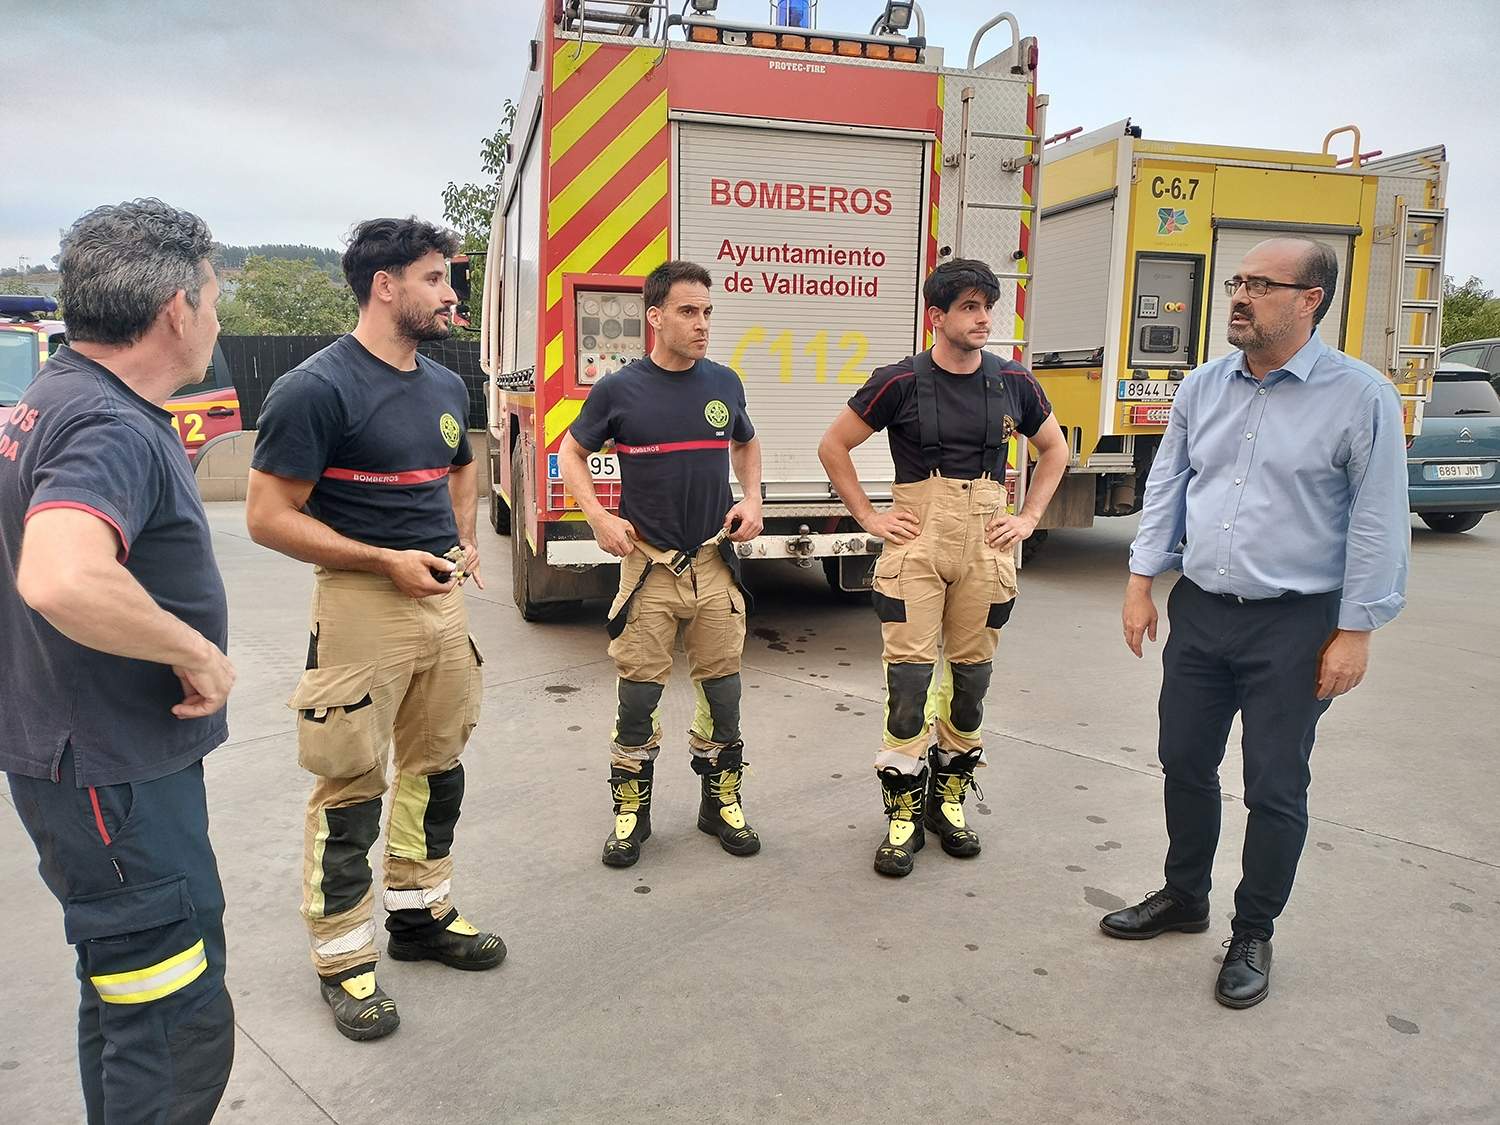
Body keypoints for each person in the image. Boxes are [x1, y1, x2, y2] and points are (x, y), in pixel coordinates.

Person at [1103, 238, 1410, 1009]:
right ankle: (1185, 896)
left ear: (1310, 300)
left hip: (1297, 623)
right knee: (1182, 759)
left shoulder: (1360, 395)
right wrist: (1141, 581)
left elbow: (1377, 521)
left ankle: (1254, 928)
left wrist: (1357, 629)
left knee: (1275, 782)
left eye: (1261, 285)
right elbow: (1168, 482)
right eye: (1237, 281)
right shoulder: (1205, 386)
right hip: (1201, 610)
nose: (1238, 295)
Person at [0, 198, 237, 1122]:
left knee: (126, 994)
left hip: (76, 765)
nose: (216, 317)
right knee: (175, 1026)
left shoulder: (50, 396)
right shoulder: (112, 425)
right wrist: (195, 652)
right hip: (115, 781)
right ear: (177, 308)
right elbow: (62, 578)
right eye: (214, 296)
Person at [246, 217, 502, 1042]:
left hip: (440, 601)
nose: (451, 293)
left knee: (438, 768)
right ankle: (344, 957)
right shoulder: (315, 389)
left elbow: (463, 462)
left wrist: (459, 541)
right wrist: (382, 559)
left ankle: (421, 916)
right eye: (435, 278)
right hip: (361, 602)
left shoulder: (442, 385)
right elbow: (266, 516)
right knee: (351, 785)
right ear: (384, 285)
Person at [819, 259, 1067, 877]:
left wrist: (1030, 517)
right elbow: (834, 446)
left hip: (986, 542)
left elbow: (1055, 448)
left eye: (989, 306)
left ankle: (947, 802)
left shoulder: (1014, 381)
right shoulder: (899, 381)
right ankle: (903, 811)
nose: (985, 319)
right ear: (939, 316)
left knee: (971, 683)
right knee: (907, 684)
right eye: (971, 308)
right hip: (918, 543)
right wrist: (869, 518)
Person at [558, 259, 764, 869]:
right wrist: (597, 515)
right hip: (648, 570)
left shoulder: (724, 383)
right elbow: (571, 453)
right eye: (688, 312)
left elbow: (746, 442)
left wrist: (753, 497)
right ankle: (631, 812)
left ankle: (719, 802)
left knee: (722, 692)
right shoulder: (619, 390)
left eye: (708, 312)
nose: (703, 325)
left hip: (714, 565)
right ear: (655, 317)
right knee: (638, 697)